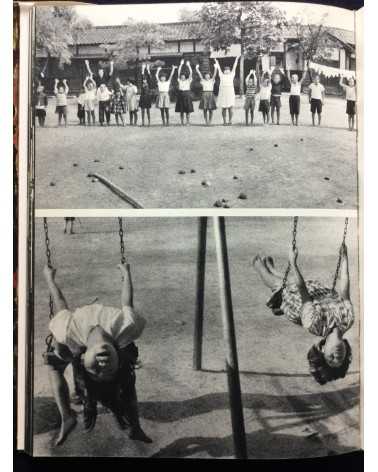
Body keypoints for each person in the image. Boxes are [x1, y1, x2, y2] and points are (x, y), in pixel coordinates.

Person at [42, 261, 152, 446]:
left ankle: (67, 416)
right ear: (117, 358)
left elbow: (60, 304)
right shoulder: (127, 328)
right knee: (127, 376)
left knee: (54, 359)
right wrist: (126, 273)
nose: (103, 365)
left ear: (84, 359)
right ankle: (134, 424)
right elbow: (127, 302)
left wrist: (49, 279)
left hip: (72, 345)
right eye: (109, 371)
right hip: (119, 348)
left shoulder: (69, 332)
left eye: (95, 370)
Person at [252, 243, 354, 385]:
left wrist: (293, 262)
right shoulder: (348, 319)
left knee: (278, 284)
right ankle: (272, 268)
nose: (337, 355)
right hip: (318, 293)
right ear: (346, 350)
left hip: (298, 303)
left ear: (322, 349)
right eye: (340, 359)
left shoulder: (314, 324)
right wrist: (344, 259)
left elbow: (303, 292)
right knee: (291, 280)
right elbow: (345, 288)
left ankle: (259, 267)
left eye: (331, 358)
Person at [214, 56, 240, 125]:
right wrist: (216, 61)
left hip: (230, 92)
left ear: (230, 70)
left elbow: (235, 66)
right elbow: (219, 68)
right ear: (224, 71)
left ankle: (230, 121)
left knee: (230, 107)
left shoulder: (232, 74)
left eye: (228, 70)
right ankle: (224, 121)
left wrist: (237, 59)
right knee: (224, 108)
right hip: (223, 93)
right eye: (225, 70)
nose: (226, 71)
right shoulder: (221, 75)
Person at [175, 59, 194, 126]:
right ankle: (182, 122)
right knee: (181, 110)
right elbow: (178, 72)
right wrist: (181, 64)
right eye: (181, 76)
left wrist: (188, 65)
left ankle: (188, 122)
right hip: (180, 95)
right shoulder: (179, 81)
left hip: (187, 95)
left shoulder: (188, 80)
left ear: (185, 77)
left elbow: (191, 73)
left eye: (183, 76)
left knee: (187, 110)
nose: (182, 77)